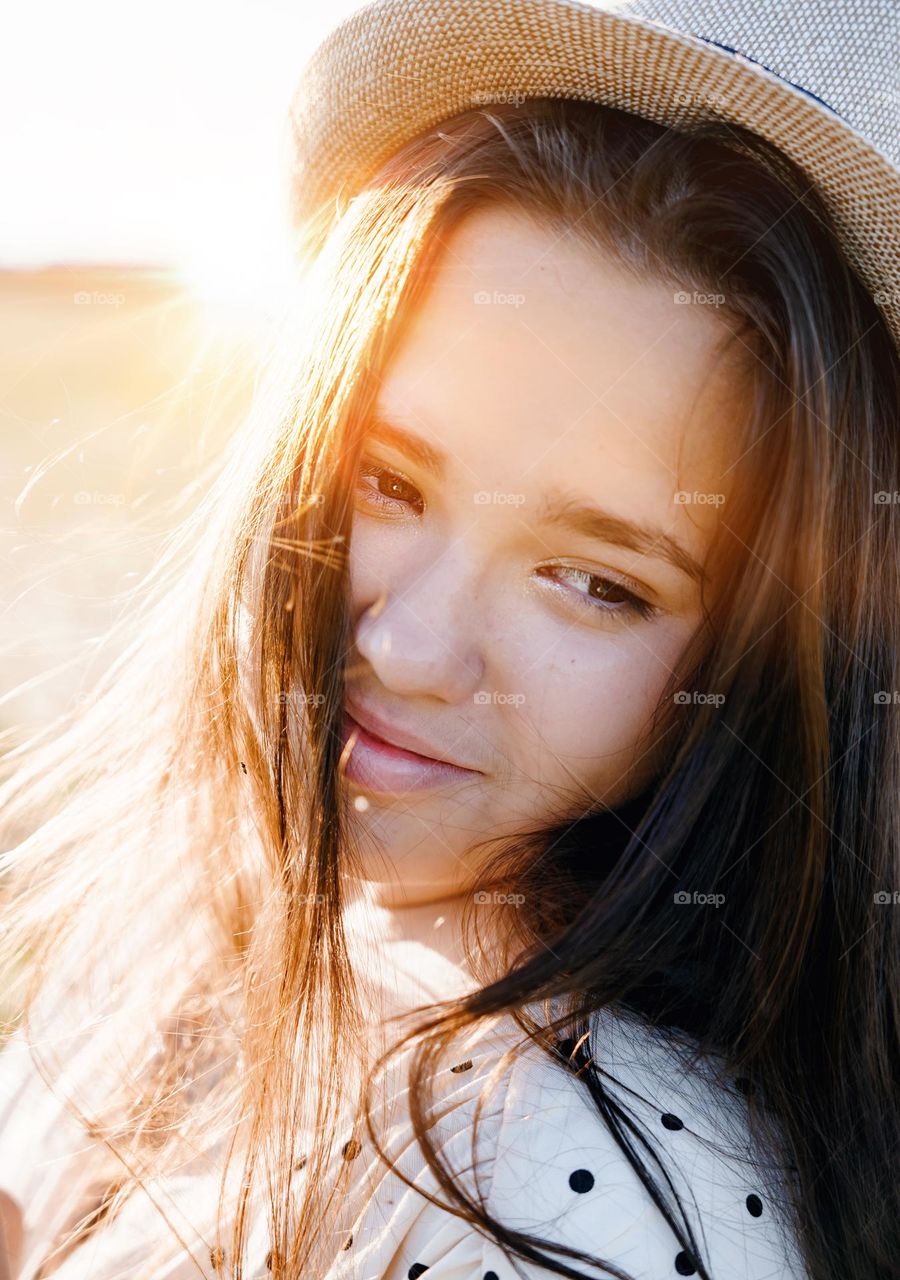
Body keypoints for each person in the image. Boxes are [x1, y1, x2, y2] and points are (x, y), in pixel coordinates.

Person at [1, 1, 899, 1278]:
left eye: (594, 580)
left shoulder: (573, 1190)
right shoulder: (202, 920)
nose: (413, 646)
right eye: (389, 482)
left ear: (763, 671)